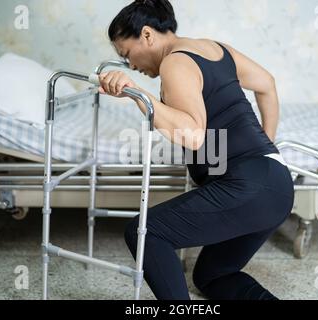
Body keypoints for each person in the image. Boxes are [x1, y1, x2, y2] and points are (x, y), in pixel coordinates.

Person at [98, 0, 294, 300]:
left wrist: (137, 94)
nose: (132, 66)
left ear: (147, 35)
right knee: (212, 276)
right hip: (275, 184)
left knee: (146, 233)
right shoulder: (213, 48)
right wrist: (267, 151)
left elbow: (192, 136)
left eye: (127, 55)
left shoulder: (174, 63)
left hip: (250, 187)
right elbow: (267, 83)